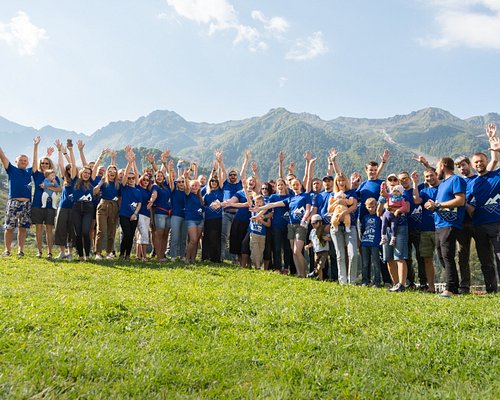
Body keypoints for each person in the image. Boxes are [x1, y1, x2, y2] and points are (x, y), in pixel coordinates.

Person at [424, 157, 466, 297]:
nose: (436, 170)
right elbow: (440, 204)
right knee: (442, 256)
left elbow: (460, 201)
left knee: (447, 255)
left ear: (442, 166)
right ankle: (453, 285)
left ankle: (451, 288)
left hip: (450, 223)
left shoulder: (456, 180)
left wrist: (438, 205)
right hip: (440, 224)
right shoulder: (442, 184)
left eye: (436, 167)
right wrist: (433, 205)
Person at [255, 178, 311, 277]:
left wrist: (305, 218)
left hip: (300, 226)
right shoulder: (290, 198)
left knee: (296, 251)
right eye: (293, 185)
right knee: (293, 252)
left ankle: (303, 273)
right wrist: (259, 209)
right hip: (290, 226)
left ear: (300, 185)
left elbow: (308, 209)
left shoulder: (305, 196)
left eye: (297, 184)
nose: (295, 186)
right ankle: (299, 274)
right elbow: (273, 204)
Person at [0, 138, 37, 257]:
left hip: (26, 204)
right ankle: (7, 250)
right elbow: (2, 156)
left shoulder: (29, 171)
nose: (23, 162)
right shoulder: (11, 169)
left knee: (23, 228)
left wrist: (35, 146)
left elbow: (36, 162)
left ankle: (20, 250)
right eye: (21, 160)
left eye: (25, 160)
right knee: (9, 227)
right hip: (13, 203)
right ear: (16, 161)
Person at [468, 151, 499, 293]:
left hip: (496, 223)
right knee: (485, 260)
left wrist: (496, 150)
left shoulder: (496, 176)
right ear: (473, 165)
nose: (479, 164)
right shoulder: (472, 184)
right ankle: (491, 289)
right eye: (476, 162)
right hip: (478, 225)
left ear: (486, 162)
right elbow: (470, 207)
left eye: (481, 161)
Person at [377, 174, 410, 292]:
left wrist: (394, 210)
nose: (392, 181)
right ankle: (395, 284)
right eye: (390, 179)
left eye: (395, 179)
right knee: (389, 258)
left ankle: (402, 284)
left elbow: (407, 208)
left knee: (399, 256)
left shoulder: (403, 195)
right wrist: (381, 202)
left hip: (400, 227)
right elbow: (378, 213)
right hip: (386, 230)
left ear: (398, 182)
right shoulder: (384, 195)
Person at [411, 168, 439, 293]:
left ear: (437, 175)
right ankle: (431, 287)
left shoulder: (443, 188)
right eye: (427, 177)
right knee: (427, 258)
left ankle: (452, 286)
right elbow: (416, 200)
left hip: (440, 228)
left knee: (445, 258)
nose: (429, 178)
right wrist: (415, 183)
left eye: (431, 175)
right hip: (425, 229)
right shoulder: (424, 191)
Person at [32, 139, 61, 258]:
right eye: (42, 163)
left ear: (50, 165)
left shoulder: (53, 176)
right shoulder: (37, 174)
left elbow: (59, 189)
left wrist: (47, 186)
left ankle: (49, 252)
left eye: (46, 163)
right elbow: (34, 160)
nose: (44, 165)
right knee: (38, 228)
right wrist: (36, 146)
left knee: (49, 229)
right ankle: (39, 251)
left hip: (50, 206)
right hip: (37, 205)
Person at [53, 140, 75, 259]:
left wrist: (68, 152)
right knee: (60, 228)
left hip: (74, 208)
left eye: (72, 168)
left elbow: (73, 164)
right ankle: (62, 252)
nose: (70, 170)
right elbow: (60, 165)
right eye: (68, 169)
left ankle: (70, 253)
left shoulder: (78, 179)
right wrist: (60, 151)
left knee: (71, 230)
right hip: (63, 206)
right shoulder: (65, 178)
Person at [118, 150, 142, 260]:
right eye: (129, 178)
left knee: (131, 235)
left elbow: (139, 204)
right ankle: (121, 254)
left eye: (133, 178)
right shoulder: (124, 187)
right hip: (124, 214)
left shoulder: (138, 191)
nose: (131, 179)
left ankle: (127, 255)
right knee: (126, 234)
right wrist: (129, 163)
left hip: (134, 215)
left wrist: (135, 214)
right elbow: (126, 173)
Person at [184, 165, 205, 264]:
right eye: (193, 185)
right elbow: (187, 187)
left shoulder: (200, 197)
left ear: (199, 187)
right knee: (192, 240)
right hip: (190, 219)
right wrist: (185, 177)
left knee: (196, 241)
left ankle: (193, 259)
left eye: (196, 185)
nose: (194, 187)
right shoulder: (188, 194)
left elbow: (203, 208)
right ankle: (187, 258)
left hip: (199, 220)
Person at [203, 168, 224, 263]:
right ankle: (205, 257)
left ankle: (215, 258)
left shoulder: (220, 191)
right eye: (212, 180)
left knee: (215, 237)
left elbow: (221, 176)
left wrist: (218, 166)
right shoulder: (207, 192)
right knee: (207, 237)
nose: (214, 182)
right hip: (207, 218)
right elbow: (202, 203)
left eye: (215, 181)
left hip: (217, 218)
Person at [360, 198, 382, 287]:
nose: (371, 209)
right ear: (366, 207)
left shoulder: (379, 217)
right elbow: (362, 229)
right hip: (365, 242)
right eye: (369, 207)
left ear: (376, 206)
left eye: (373, 207)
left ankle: (377, 281)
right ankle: (365, 280)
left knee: (376, 263)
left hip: (375, 243)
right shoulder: (365, 218)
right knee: (365, 263)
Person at [379, 181, 407, 246]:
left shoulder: (401, 199)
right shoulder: (390, 196)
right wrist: (383, 186)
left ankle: (393, 238)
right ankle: (383, 237)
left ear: (401, 193)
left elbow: (404, 207)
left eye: (398, 191)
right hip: (386, 214)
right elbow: (383, 193)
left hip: (394, 215)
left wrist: (398, 210)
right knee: (383, 225)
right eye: (394, 191)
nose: (395, 193)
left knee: (394, 226)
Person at [248, 194, 272, 269]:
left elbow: (268, 224)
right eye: (256, 202)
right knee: (255, 250)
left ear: (263, 202)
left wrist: (261, 220)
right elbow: (248, 200)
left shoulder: (265, 211)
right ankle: (257, 266)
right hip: (254, 233)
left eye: (260, 202)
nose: (258, 204)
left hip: (262, 234)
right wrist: (245, 188)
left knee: (261, 251)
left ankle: (256, 265)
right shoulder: (253, 209)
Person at [305, 214, 331, 280]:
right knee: (317, 265)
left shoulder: (324, 230)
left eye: (315, 223)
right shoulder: (312, 231)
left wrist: (326, 238)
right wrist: (308, 246)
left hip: (324, 251)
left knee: (320, 265)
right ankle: (320, 279)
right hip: (316, 251)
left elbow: (330, 238)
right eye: (312, 223)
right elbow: (312, 242)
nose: (313, 225)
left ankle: (314, 273)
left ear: (320, 222)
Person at [135, 173, 152, 261]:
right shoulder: (138, 188)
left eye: (147, 180)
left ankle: (138, 255)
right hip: (140, 214)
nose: (145, 181)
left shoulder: (149, 191)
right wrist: (132, 162)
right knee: (144, 234)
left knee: (141, 235)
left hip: (147, 214)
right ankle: (144, 256)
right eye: (144, 179)